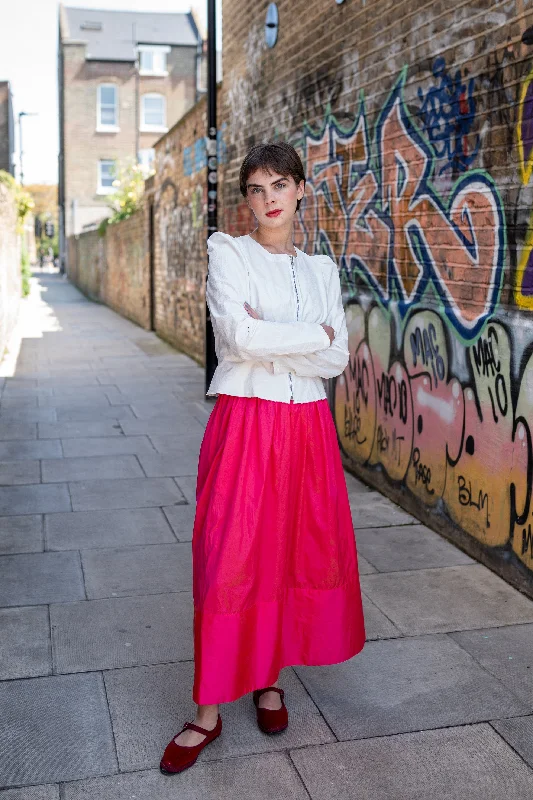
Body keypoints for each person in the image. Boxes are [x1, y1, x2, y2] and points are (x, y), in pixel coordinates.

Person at [160, 141, 366, 775]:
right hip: (246, 424)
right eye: (256, 189)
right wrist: (315, 338)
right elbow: (237, 336)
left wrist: (297, 343)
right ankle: (207, 713)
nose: (269, 198)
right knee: (229, 559)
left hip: (306, 426)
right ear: (247, 200)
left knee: (287, 552)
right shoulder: (230, 253)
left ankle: (269, 681)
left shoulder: (324, 271)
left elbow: (339, 359)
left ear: (300, 190)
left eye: (280, 185)